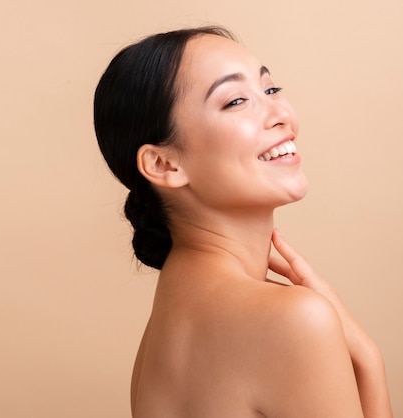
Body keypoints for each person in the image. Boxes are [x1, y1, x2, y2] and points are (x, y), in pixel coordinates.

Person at [93, 26, 392, 417]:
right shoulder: (294, 319)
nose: (280, 114)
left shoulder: (161, 333)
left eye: (270, 90)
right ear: (164, 163)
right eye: (235, 101)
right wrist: (369, 361)